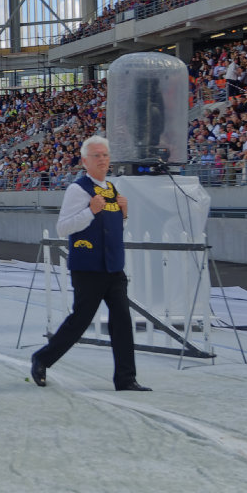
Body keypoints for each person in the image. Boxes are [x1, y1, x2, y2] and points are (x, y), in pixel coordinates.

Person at [29, 135, 151, 392]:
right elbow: (63, 228)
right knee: (80, 321)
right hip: (88, 267)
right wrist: (90, 211)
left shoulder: (112, 189)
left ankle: (126, 379)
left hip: (113, 268)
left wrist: (124, 214)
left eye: (105, 155)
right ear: (85, 161)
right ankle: (42, 358)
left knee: (122, 322)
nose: (103, 159)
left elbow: (113, 228)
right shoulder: (77, 189)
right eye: (97, 155)